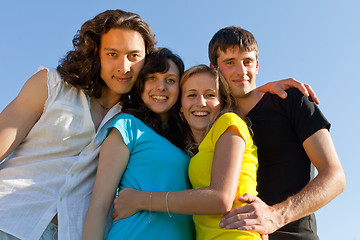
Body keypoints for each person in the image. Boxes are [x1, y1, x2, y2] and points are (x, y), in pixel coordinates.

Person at [0, 9, 155, 240]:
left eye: (133, 56)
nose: (124, 67)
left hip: (70, 233)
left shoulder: (137, 125)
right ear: (96, 53)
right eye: (112, 54)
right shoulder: (51, 85)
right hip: (10, 218)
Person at [208, 26, 345, 239]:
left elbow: (335, 177)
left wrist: (276, 216)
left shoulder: (291, 100)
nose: (241, 71)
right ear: (213, 68)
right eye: (229, 63)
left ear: (257, 65)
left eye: (248, 61)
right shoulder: (213, 122)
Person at [112, 64, 264, 239]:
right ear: (181, 109)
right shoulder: (194, 154)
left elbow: (221, 199)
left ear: (222, 103)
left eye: (210, 95)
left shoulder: (229, 123)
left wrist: (139, 200)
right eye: (192, 95)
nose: (201, 102)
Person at [82, 47, 195, 240]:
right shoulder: (127, 125)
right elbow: (100, 204)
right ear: (140, 85)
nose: (161, 87)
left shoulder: (188, 142)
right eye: (152, 78)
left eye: (170, 80)